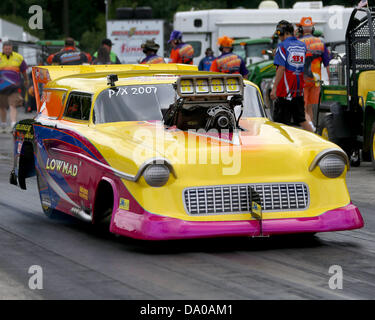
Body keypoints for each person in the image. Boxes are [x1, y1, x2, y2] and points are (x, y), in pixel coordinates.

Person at [270, 20, 314, 132]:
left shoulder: (282, 46)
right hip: (298, 90)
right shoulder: (302, 45)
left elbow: (282, 68)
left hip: (285, 92)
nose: (278, 37)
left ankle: (283, 147)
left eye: (278, 34)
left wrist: (274, 88)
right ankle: (315, 138)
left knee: (280, 124)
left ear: (281, 33)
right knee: (302, 120)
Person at [297, 17, 331, 130]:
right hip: (316, 81)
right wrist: (330, 80)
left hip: (301, 80)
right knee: (309, 107)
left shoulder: (298, 43)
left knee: (302, 108)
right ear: (312, 28)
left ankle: (310, 128)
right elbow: (328, 65)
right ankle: (310, 130)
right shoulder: (320, 42)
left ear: (301, 29)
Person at [0, 41, 29, 133]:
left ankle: (13, 124)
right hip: (1, 86)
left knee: (13, 105)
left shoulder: (18, 57)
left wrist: (26, 80)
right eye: (6, 49)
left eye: (9, 48)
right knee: (2, 106)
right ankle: (3, 124)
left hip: (14, 86)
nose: (7, 50)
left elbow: (24, 71)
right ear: (3, 49)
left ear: (12, 48)